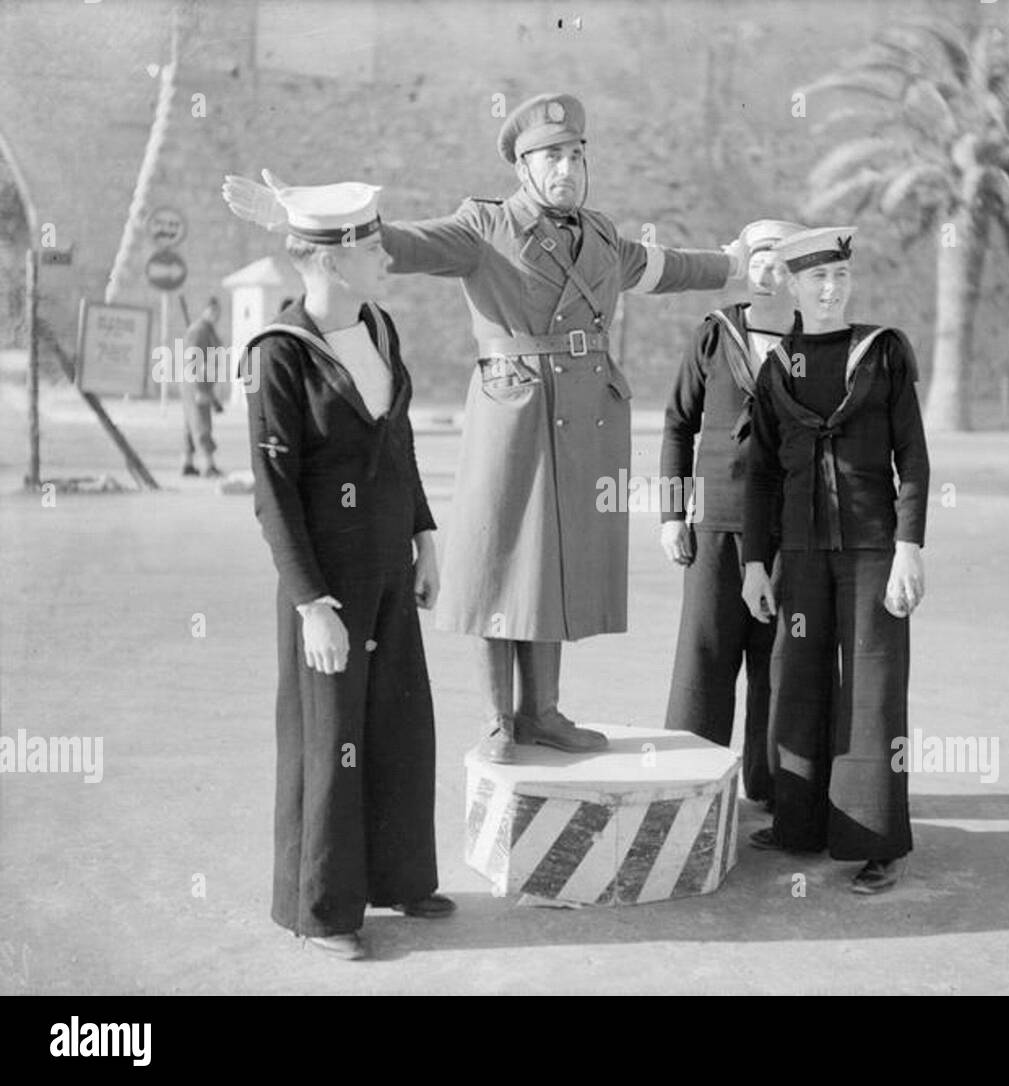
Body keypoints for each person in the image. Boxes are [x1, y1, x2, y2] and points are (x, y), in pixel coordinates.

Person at [224, 93, 749, 765]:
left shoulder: (601, 236)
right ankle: (501, 720)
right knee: (505, 560)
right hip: (517, 413)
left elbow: (666, 267)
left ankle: (545, 712)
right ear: (523, 166)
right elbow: (403, 244)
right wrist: (302, 217)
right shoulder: (485, 226)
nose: (568, 169)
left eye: (577, 156)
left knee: (555, 567)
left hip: (586, 421)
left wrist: (732, 265)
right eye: (553, 157)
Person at [235, 181, 449, 961]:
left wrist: (425, 535)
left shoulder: (380, 327)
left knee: (397, 726)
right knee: (329, 745)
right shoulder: (278, 356)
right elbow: (272, 494)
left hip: (392, 562)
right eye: (371, 245)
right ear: (327, 259)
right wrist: (310, 604)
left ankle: (401, 878)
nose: (386, 254)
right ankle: (322, 911)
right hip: (328, 581)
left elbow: (399, 442)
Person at [740, 226, 930, 895]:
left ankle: (875, 843)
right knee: (797, 682)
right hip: (798, 551)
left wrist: (910, 547)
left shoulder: (880, 353)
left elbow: (912, 453)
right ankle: (800, 824)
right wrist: (755, 564)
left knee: (872, 691)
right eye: (817, 278)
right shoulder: (775, 367)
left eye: (840, 278)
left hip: (873, 547)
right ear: (794, 284)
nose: (830, 289)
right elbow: (761, 474)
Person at [659, 219, 805, 807]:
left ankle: (774, 792)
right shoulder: (715, 335)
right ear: (746, 265)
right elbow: (677, 423)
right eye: (760, 257)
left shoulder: (814, 343)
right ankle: (691, 785)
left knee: (779, 661)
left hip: (789, 532)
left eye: (782, 259)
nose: (770, 269)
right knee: (706, 658)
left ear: (798, 273)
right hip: (715, 524)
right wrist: (672, 515)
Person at [180, 296, 224, 478]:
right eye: (212, 311)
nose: (215, 315)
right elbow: (192, 360)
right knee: (202, 424)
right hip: (197, 384)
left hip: (203, 383)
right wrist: (200, 389)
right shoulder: (199, 330)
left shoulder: (207, 329)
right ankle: (209, 465)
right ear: (206, 310)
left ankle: (187, 463)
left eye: (217, 312)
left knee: (191, 426)